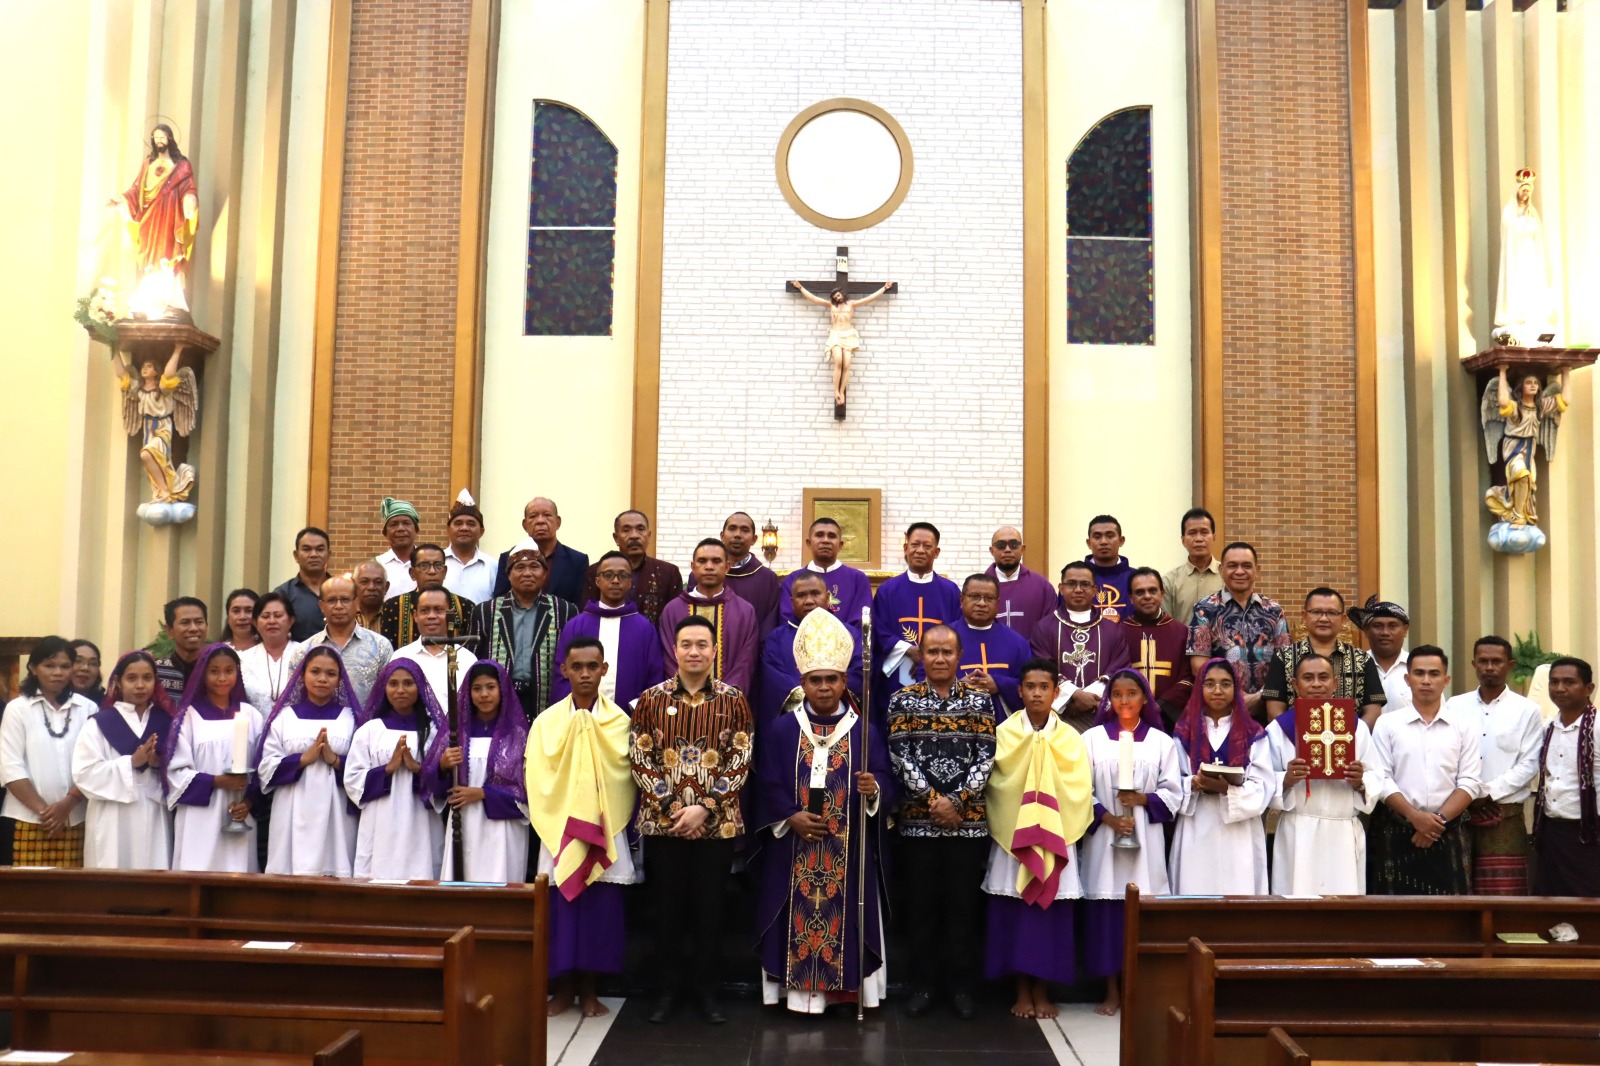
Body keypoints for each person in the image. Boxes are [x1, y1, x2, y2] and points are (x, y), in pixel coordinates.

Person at [753, 608, 895, 1015]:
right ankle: (798, 996)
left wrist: (874, 789)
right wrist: (789, 816)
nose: (824, 687)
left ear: (845, 682)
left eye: (832, 679)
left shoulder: (865, 732)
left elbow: (886, 779)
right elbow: (768, 782)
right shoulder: (781, 730)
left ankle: (847, 992)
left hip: (848, 851)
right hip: (793, 848)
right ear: (803, 684)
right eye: (816, 680)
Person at [631, 616, 754, 1024]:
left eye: (703, 644)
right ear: (675, 650)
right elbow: (640, 757)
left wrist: (705, 807)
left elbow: (741, 758)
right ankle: (666, 992)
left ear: (715, 651)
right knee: (666, 911)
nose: (695, 651)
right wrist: (673, 808)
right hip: (663, 825)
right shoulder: (651, 699)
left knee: (710, 912)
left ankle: (707, 993)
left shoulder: (734, 700)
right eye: (687, 644)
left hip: (716, 827)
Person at [886, 624, 996, 1020]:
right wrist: (935, 802)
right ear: (922, 656)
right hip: (919, 824)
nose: (939, 658)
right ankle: (923, 986)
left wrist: (957, 802)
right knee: (922, 909)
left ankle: (962, 988)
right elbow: (899, 757)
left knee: (962, 908)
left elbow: (987, 757)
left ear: (959, 656)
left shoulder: (980, 702)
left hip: (967, 825)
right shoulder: (902, 700)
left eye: (947, 652)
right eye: (932, 651)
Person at [527, 639, 638, 1018]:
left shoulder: (621, 722)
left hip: (603, 827)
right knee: (561, 912)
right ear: (565, 670)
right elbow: (537, 775)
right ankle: (562, 989)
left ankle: (591, 989)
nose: (586, 674)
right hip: (560, 827)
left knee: (599, 914)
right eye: (577, 667)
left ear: (604, 670)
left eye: (593, 666)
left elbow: (626, 773)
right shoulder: (546, 723)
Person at [983, 657, 1094, 1021]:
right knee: (1014, 913)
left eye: (1044, 687)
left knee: (1050, 915)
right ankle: (1020, 990)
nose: (1036, 694)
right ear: (1019, 691)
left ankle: (1043, 990)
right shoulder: (1003, 733)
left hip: (1054, 833)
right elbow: (996, 784)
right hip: (1014, 835)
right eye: (1030, 687)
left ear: (1055, 692)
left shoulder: (1071, 738)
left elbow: (1079, 787)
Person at [1079, 668, 1181, 1017]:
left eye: (1132, 694)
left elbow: (1174, 793)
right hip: (1105, 840)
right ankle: (1111, 990)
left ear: (1144, 699)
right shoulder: (1091, 739)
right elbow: (1078, 790)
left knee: (1142, 917)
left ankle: (1138, 990)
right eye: (1117, 694)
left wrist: (1142, 799)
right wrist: (1108, 818)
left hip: (1145, 841)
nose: (1124, 700)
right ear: (1109, 699)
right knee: (1107, 920)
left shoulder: (1161, 742)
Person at [1368, 646, 1480, 895]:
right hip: (1397, 826)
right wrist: (1414, 817)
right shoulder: (1387, 724)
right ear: (1407, 679)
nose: (1426, 680)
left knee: (1451, 909)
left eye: (1434, 674)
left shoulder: (1464, 726)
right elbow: (1381, 778)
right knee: (1395, 906)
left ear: (1446, 680)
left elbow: (1470, 781)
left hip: (1448, 829)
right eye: (1419, 673)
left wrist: (1437, 821)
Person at [1266, 654, 1376, 895]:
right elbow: (1261, 780)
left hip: (1342, 831)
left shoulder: (1356, 727)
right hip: (1298, 830)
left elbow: (1376, 774)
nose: (1316, 684)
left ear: (1335, 683)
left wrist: (1360, 782)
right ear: (1295, 685)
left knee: (1343, 904)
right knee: (1297, 900)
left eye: (1323, 677)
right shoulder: (1278, 730)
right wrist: (1286, 779)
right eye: (1308, 678)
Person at [1444, 635, 1543, 895]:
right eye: (1483, 661)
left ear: (1510, 665)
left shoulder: (1527, 710)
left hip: (1503, 814)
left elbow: (1529, 764)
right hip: (1458, 812)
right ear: (1474, 664)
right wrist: (1467, 795)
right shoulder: (1454, 706)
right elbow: (1446, 756)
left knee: (1504, 893)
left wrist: (1486, 792)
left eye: (1496, 661)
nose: (1489, 667)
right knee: (1457, 885)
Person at [1169, 659, 1272, 894]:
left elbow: (1263, 785)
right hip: (1198, 822)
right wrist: (1193, 783)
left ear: (1236, 688)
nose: (1217, 690)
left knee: (1239, 888)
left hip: (1240, 829)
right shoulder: (1184, 732)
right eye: (1210, 684)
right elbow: (1172, 781)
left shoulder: (1252, 733)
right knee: (1196, 886)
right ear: (1199, 688)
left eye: (1225, 684)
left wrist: (1227, 789)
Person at [256, 646, 361, 876]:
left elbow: (363, 770)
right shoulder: (284, 717)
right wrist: (303, 759)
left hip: (336, 811)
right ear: (302, 674)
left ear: (339, 679)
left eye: (331, 674)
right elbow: (265, 768)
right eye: (315, 672)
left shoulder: (350, 719)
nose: (322, 679)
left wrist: (335, 760)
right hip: (292, 807)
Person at [343, 659, 449, 880]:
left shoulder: (433, 732)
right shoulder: (370, 731)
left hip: (420, 822)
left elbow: (444, 783)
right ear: (384, 687)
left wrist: (416, 769)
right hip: (380, 821)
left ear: (420, 687)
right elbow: (352, 779)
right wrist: (387, 770)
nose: (400, 690)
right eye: (393, 684)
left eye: (408, 683)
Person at [70, 650, 174, 870]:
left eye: (147, 678)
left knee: (153, 872)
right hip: (111, 816)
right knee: (112, 871)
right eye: (132, 678)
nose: (140, 685)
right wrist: (130, 763)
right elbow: (84, 773)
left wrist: (159, 764)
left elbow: (180, 771)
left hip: (153, 814)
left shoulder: (166, 722)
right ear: (118, 682)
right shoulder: (98, 724)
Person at [164, 644, 262, 872]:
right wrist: (217, 781)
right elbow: (175, 772)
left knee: (238, 871)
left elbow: (261, 767)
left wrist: (249, 802)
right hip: (200, 815)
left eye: (229, 671)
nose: (222, 678)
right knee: (198, 869)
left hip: (239, 811)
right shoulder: (188, 718)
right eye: (214, 671)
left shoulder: (251, 716)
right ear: (202, 674)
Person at [1, 637, 95, 866]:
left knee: (73, 885)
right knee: (27, 886)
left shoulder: (88, 708)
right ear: (33, 668)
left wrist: (66, 806)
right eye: (49, 666)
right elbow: (10, 767)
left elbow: (94, 764)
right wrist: (47, 813)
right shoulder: (18, 709)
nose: (58, 673)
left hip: (76, 818)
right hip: (26, 818)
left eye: (65, 666)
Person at [440, 661, 530, 883]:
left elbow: (528, 791)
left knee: (499, 881)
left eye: (490, 687)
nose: (484, 694)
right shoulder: (457, 733)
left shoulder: (518, 735)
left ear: (502, 689)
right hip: (465, 823)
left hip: (503, 830)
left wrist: (482, 794)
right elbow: (432, 785)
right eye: (477, 688)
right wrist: (442, 765)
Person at [1185, 542, 1291, 724]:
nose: (1239, 571)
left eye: (1247, 566)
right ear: (1221, 570)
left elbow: (1285, 662)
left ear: (1257, 570)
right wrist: (1234, 696)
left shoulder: (1274, 611)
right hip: (1222, 710)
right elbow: (1198, 666)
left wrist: (1259, 696)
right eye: (1232, 565)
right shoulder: (1205, 609)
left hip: (1267, 709)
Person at [467, 540, 576, 716]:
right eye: (519, 567)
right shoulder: (486, 612)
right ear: (509, 575)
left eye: (534, 567)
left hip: (548, 701)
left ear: (545, 574)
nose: (527, 573)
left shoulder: (564, 611)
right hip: (498, 700)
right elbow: (472, 661)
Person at [552, 551, 667, 711]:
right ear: (597, 581)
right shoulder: (575, 625)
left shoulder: (645, 629)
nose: (615, 580)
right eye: (608, 575)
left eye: (623, 576)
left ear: (630, 583)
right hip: (580, 715)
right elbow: (562, 676)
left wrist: (637, 711)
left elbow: (654, 678)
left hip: (630, 717)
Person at [872, 523, 962, 726]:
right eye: (915, 545)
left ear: (936, 552)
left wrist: (929, 655)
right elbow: (878, 629)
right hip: (897, 673)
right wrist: (908, 650)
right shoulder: (887, 590)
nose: (920, 550)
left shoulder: (950, 591)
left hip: (941, 672)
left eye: (927, 546)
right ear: (906, 548)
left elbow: (957, 630)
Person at [1030, 561, 1133, 734]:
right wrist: (1074, 696)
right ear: (1061, 588)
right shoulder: (1044, 628)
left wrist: (1089, 699)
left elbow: (1119, 666)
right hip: (1057, 717)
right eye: (1071, 584)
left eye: (1085, 584)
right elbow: (1041, 668)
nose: (1078, 590)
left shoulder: (1112, 629)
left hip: (1100, 716)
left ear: (1095, 590)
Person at [1262, 588, 1386, 724]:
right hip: (1293, 735)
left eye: (1332, 613)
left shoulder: (1362, 660)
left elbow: (1373, 711)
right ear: (1304, 616)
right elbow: (1274, 711)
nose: (1323, 619)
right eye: (1316, 612)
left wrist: (1352, 735)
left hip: (1350, 736)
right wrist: (1299, 735)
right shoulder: (1283, 657)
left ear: (1343, 619)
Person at [1531, 657, 1600, 896]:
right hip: (1552, 832)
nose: (1559, 688)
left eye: (1569, 682)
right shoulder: (1549, 727)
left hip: (1590, 834)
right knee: (1551, 902)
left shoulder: (1597, 727)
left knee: (1588, 903)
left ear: (1588, 689)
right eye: (1554, 682)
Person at [657, 539, 759, 697]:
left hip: (728, 704)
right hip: (682, 701)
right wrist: (687, 694)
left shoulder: (744, 612)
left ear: (727, 567)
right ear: (693, 567)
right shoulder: (672, 610)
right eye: (702, 561)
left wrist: (725, 697)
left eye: (716, 561)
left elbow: (745, 662)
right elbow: (670, 658)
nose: (709, 567)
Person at [758, 571, 862, 724]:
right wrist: (811, 694)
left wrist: (829, 694)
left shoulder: (848, 634)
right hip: (794, 721)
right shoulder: (777, 639)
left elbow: (859, 672)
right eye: (801, 595)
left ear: (827, 597)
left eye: (815, 593)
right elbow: (774, 679)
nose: (808, 601)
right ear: (792, 602)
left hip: (841, 718)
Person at [791, 278, 893, 413]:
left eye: (838, 295)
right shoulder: (831, 305)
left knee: (847, 363)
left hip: (848, 334)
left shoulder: (852, 304)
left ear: (842, 294)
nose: (837, 298)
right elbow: (814, 299)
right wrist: (800, 287)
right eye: (835, 297)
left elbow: (869, 299)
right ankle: (836, 391)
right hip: (835, 335)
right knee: (838, 361)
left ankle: (842, 391)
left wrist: (884, 288)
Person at [301, 574, 394, 707]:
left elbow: (388, 695)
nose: (339, 606)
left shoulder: (381, 646)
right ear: (321, 606)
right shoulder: (305, 650)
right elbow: (296, 696)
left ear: (356, 604)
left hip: (368, 720)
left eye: (345, 600)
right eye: (331, 600)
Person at [949, 573, 1031, 720]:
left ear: (998, 603)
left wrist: (999, 684)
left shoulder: (1017, 643)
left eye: (989, 598)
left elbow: (1030, 684)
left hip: (1002, 726)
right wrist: (957, 686)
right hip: (954, 723)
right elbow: (925, 680)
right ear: (962, 599)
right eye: (974, 597)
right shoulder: (943, 639)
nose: (982, 603)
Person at [1121, 567, 1195, 728]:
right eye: (1140, 592)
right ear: (1131, 598)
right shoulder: (1119, 633)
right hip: (1128, 717)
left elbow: (1189, 676)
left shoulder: (1181, 632)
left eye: (1152, 590)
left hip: (1170, 719)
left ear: (1162, 594)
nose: (1147, 596)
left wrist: (1161, 705)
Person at [580, 510, 681, 625]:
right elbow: (587, 616)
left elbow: (674, 620)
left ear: (649, 536)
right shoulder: (596, 571)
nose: (634, 536)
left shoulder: (667, 573)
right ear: (616, 538)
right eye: (626, 530)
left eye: (640, 529)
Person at [778, 517, 874, 631]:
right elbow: (788, 623)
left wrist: (835, 639)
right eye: (819, 535)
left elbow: (861, 621)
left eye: (832, 536)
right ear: (809, 543)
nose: (825, 540)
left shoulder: (858, 579)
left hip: (848, 641)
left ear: (840, 545)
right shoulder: (792, 580)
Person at [393, 586, 480, 710]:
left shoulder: (467, 659)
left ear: (451, 614)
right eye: (424, 610)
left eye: (438, 610)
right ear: (415, 615)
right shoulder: (401, 657)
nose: (431, 616)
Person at [377, 543, 476, 649]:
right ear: (412, 573)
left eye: (438, 565)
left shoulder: (465, 606)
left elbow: (470, 649)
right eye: (424, 566)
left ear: (445, 571)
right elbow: (388, 650)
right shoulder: (393, 606)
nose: (432, 571)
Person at [496, 497, 589, 607]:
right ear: (525, 525)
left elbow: (580, 605)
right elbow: (500, 602)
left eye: (547, 515)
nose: (540, 521)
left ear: (558, 522)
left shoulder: (577, 561)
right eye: (533, 516)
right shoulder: (508, 558)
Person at [238, 592, 305, 716]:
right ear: (255, 622)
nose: (272, 621)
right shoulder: (243, 659)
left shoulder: (305, 654)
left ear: (291, 621)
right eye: (265, 616)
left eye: (278, 616)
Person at [719, 511, 781, 639]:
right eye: (732, 528)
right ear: (722, 536)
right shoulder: (705, 575)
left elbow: (769, 625)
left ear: (754, 539)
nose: (737, 534)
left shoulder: (767, 579)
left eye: (745, 530)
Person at [1348, 596, 1411, 716]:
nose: (1385, 632)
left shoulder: (1417, 669)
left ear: (1405, 630)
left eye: (1392, 626)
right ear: (1366, 631)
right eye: (1377, 626)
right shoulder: (1353, 667)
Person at [1162, 508, 1223, 630]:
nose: (1199, 539)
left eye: (1204, 532)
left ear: (1214, 537)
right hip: (1182, 642)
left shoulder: (1227, 577)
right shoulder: (1169, 581)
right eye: (1192, 533)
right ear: (1183, 540)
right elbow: (1165, 626)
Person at [273, 527, 331, 642]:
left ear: (328, 555)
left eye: (320, 549)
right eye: (307, 549)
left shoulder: (344, 590)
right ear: (296, 555)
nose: (314, 555)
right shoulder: (283, 594)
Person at [443, 489, 497, 606]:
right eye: (458, 523)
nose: (464, 528)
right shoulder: (437, 563)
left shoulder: (493, 566)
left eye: (471, 524)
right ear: (448, 530)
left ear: (481, 532)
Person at [155, 596, 210, 700]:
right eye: (185, 623)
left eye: (199, 622)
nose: (193, 628)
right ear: (169, 630)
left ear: (207, 626)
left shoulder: (217, 671)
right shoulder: (157, 672)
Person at [1084, 515, 1137, 621]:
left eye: (1110, 536)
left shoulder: (1136, 579)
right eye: (1097, 537)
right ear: (1089, 543)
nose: (1104, 542)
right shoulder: (1075, 580)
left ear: (1121, 540)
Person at [376, 497, 421, 599]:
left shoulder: (429, 563)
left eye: (406, 523)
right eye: (394, 524)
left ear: (416, 529)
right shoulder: (376, 565)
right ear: (385, 533)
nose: (400, 528)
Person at [353, 560, 389, 632]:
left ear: (386, 587)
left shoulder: (394, 615)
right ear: (354, 586)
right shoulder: (345, 614)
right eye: (364, 582)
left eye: (378, 582)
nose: (371, 587)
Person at [70, 640, 106, 705]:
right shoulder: (52, 701)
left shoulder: (107, 705)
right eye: (78, 661)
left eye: (93, 663)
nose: (85, 668)